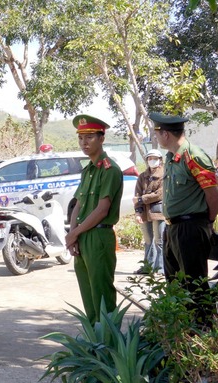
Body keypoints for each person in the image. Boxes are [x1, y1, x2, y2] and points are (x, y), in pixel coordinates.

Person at [150, 112, 218, 323]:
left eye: (157, 133)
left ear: (165, 134)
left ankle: (202, 330)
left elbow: (213, 195)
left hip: (191, 228)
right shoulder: (172, 158)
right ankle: (182, 333)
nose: (157, 138)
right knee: (174, 284)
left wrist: (205, 223)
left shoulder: (193, 155)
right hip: (172, 228)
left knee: (194, 285)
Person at [65, 115, 123, 324]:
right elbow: (78, 204)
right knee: (88, 296)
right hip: (82, 236)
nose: (84, 143)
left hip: (98, 236)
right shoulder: (87, 171)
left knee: (102, 297)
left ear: (101, 138)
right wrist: (72, 234)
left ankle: (108, 347)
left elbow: (101, 210)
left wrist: (74, 233)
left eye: (89, 137)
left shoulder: (110, 170)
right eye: (81, 138)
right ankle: (94, 345)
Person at [133, 149, 165, 275]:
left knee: (159, 240)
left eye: (155, 158)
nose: (152, 161)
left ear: (160, 160)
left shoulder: (164, 175)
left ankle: (161, 268)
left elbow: (159, 195)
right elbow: (136, 195)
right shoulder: (142, 176)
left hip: (158, 212)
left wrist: (142, 199)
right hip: (144, 212)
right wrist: (138, 212)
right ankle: (148, 267)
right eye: (150, 158)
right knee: (148, 241)